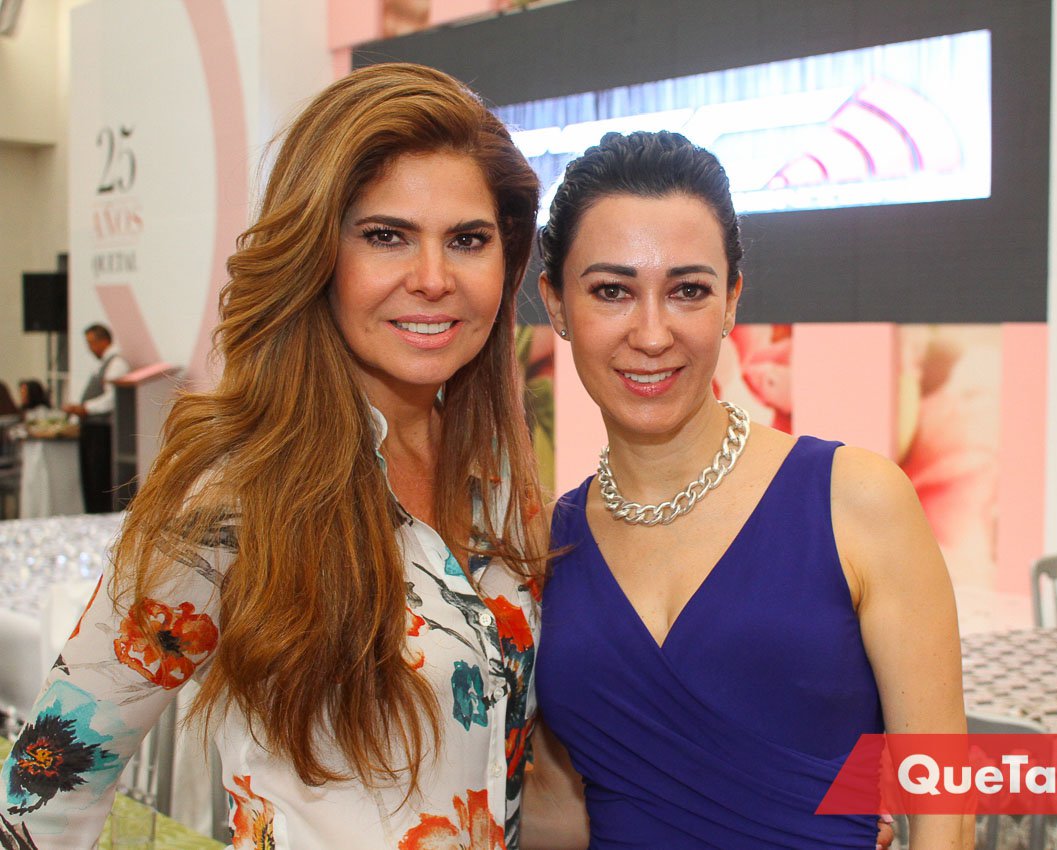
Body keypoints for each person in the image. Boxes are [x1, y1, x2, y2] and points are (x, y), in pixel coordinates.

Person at [0, 62, 546, 849]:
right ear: (316, 254)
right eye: (385, 236)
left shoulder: (497, 484)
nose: (433, 279)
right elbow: (39, 797)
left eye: (467, 240)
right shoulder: (233, 497)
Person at [525, 131, 970, 850]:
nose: (651, 333)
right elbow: (556, 809)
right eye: (611, 291)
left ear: (731, 299)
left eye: (688, 291)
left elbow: (944, 813)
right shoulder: (546, 543)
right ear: (556, 304)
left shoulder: (856, 501)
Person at [61, 324, 130, 513]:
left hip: (102, 429)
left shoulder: (117, 364)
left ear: (103, 341)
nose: (90, 348)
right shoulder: (104, 364)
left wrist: (86, 408)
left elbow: (112, 398)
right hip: (92, 427)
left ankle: (100, 514)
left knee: (99, 477)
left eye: (91, 343)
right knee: (90, 478)